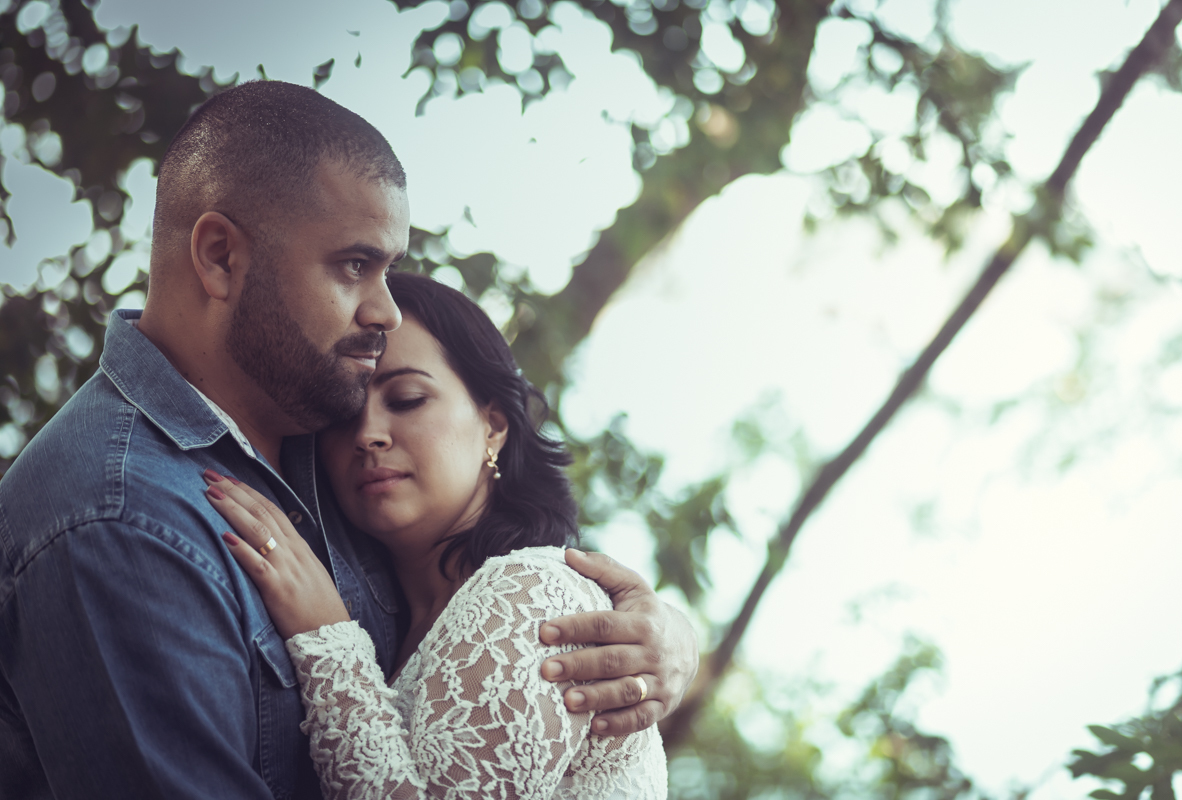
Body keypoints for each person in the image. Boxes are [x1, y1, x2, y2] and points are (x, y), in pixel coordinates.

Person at [0, 81, 695, 799]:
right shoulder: (115, 520)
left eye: (388, 270)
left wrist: (668, 637)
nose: (385, 310)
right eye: (354, 265)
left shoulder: (315, 439)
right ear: (219, 256)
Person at [205, 272, 669, 798]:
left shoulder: (531, 597)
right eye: (342, 415)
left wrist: (326, 642)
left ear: (492, 425)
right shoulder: (402, 618)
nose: (367, 435)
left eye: (406, 399)